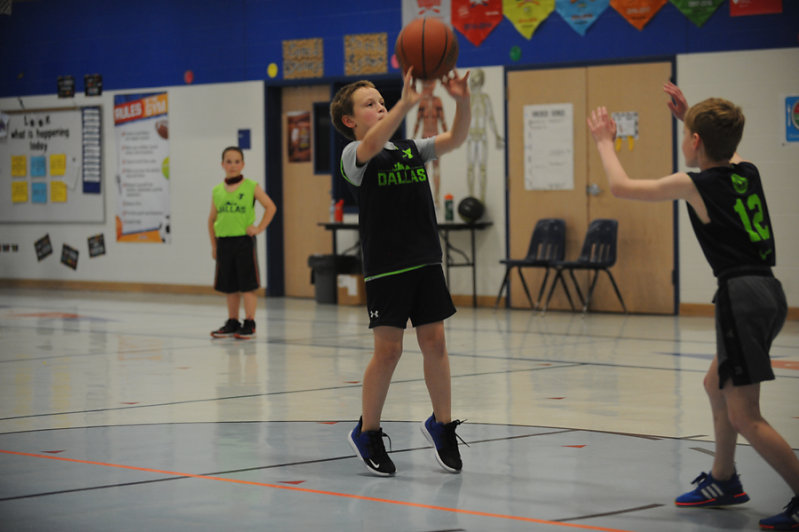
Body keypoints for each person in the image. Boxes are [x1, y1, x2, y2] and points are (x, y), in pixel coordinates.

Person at [587, 82, 798, 530]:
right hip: (768, 291)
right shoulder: (747, 171)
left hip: (742, 298)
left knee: (745, 415)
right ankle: (723, 480)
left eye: (686, 133)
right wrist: (688, 117)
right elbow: (724, 150)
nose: (683, 138)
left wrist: (605, 141)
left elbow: (622, 186)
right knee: (714, 384)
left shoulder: (694, 183)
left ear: (696, 141)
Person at [330, 67, 470, 476]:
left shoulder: (411, 149)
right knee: (389, 351)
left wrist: (462, 101)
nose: (380, 106)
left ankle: (441, 424)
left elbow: (456, 138)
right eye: (369, 104)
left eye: (381, 101)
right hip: (387, 267)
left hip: (425, 259)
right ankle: (367, 432)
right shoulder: (353, 155)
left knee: (436, 343)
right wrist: (406, 104)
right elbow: (374, 143)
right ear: (349, 120)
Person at [208, 146, 277, 340]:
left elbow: (270, 207)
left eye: (237, 161)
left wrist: (259, 228)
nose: (233, 165)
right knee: (229, 285)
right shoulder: (217, 191)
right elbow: (211, 219)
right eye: (229, 161)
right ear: (222, 164)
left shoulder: (251, 186)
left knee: (247, 285)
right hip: (224, 242)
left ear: (243, 164)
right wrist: (214, 245)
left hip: (243, 242)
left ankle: (249, 321)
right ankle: (232, 321)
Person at [412, 79, 447, 209]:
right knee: (424, 169)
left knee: (436, 168)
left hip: (435, 138)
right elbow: (418, 121)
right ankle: (423, 198)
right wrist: (413, 138)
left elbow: (442, 120)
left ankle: (436, 199)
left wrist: (448, 136)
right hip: (425, 137)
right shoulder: (422, 102)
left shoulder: (438, 101)